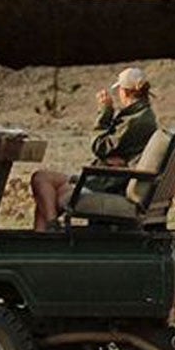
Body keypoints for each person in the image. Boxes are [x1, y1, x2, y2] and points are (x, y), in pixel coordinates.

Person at [29, 67, 159, 231]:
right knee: (43, 185)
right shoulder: (140, 115)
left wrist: (104, 112)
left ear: (124, 92)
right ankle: (49, 229)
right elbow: (116, 148)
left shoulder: (136, 120)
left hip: (107, 180)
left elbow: (99, 146)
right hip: (109, 176)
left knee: (42, 184)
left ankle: (49, 233)